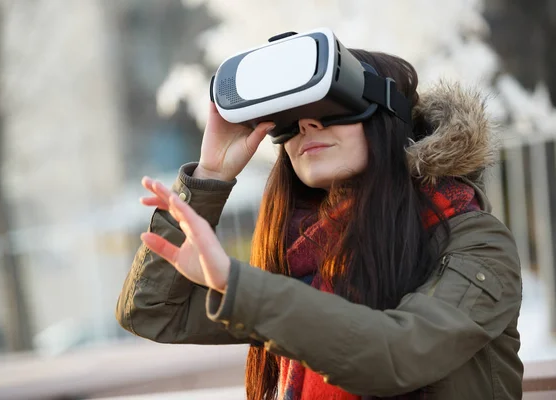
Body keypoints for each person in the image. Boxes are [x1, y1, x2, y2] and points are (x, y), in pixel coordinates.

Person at [116, 49, 523, 400]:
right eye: (289, 117)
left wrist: (235, 282)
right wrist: (211, 174)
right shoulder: (307, 256)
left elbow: (397, 354)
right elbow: (152, 311)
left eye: (331, 107)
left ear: (389, 117)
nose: (308, 124)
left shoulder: (476, 241)